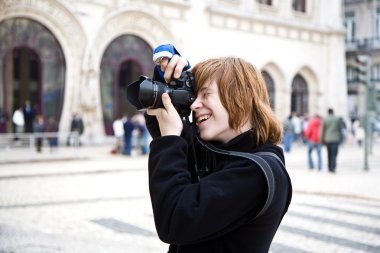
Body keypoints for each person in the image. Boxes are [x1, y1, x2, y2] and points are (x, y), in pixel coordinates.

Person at [144, 48, 292, 252]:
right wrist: (165, 79)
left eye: (206, 95)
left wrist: (170, 139)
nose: (195, 105)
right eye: (195, 96)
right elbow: (169, 131)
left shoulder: (257, 173)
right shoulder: (222, 152)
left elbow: (175, 219)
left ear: (242, 96)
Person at [320, 108, 342, 173]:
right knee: (334, 154)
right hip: (335, 139)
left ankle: (329, 167)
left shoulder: (325, 119)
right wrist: (340, 138)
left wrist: (321, 139)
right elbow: (339, 130)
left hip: (327, 139)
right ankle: (333, 167)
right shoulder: (337, 119)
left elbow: (322, 130)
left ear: (328, 112)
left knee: (329, 153)